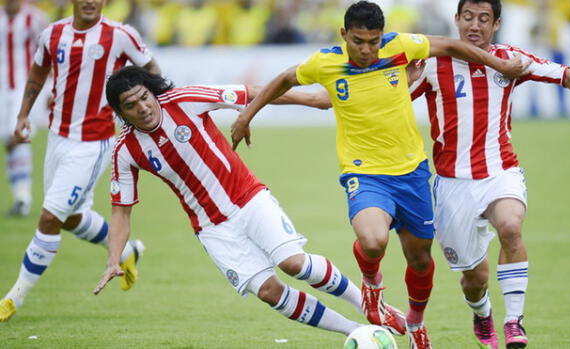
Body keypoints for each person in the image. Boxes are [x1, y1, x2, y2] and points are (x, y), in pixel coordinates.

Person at [230, 1, 531, 348]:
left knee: (419, 261)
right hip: (365, 173)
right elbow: (284, 78)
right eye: (358, 41)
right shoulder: (327, 63)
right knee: (373, 241)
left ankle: (416, 321)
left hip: (412, 173)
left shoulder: (398, 46)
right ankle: (371, 285)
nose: (367, 49)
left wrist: (500, 64)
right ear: (344, 35)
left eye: (374, 41)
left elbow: (451, 45)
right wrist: (245, 116)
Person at [94, 66, 365, 338]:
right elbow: (121, 212)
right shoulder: (125, 150)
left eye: (144, 97)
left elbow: (251, 94)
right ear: (121, 113)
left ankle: (369, 306)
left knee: (292, 263)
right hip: (211, 227)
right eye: (131, 105)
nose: (142, 107)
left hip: (248, 198)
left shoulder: (184, 99)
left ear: (152, 92)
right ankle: (357, 331)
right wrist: (113, 259)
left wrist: (312, 99)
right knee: (269, 292)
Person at [408, 1, 570, 348]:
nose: (475, 26)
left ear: (496, 24)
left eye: (483, 19)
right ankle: (482, 312)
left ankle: (514, 321)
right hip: (453, 183)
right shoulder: (432, 63)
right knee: (474, 279)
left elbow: (562, 75)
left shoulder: (511, 60)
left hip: (501, 170)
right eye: (468, 18)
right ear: (456, 20)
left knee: (511, 227)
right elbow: (391, 103)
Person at [0, 0, 162, 322]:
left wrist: (139, 109)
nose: (90, 1)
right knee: (70, 217)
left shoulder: (120, 34)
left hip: (93, 143)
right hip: (59, 138)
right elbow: (38, 71)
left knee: (49, 218)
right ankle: (129, 252)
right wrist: (22, 114)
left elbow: (152, 71)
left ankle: (13, 298)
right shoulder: (52, 34)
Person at [0, 0, 48, 216]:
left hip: (24, 87)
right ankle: (19, 195)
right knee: (8, 142)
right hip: (1, 89)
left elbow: (49, 52)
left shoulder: (35, 18)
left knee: (18, 136)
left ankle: (23, 197)